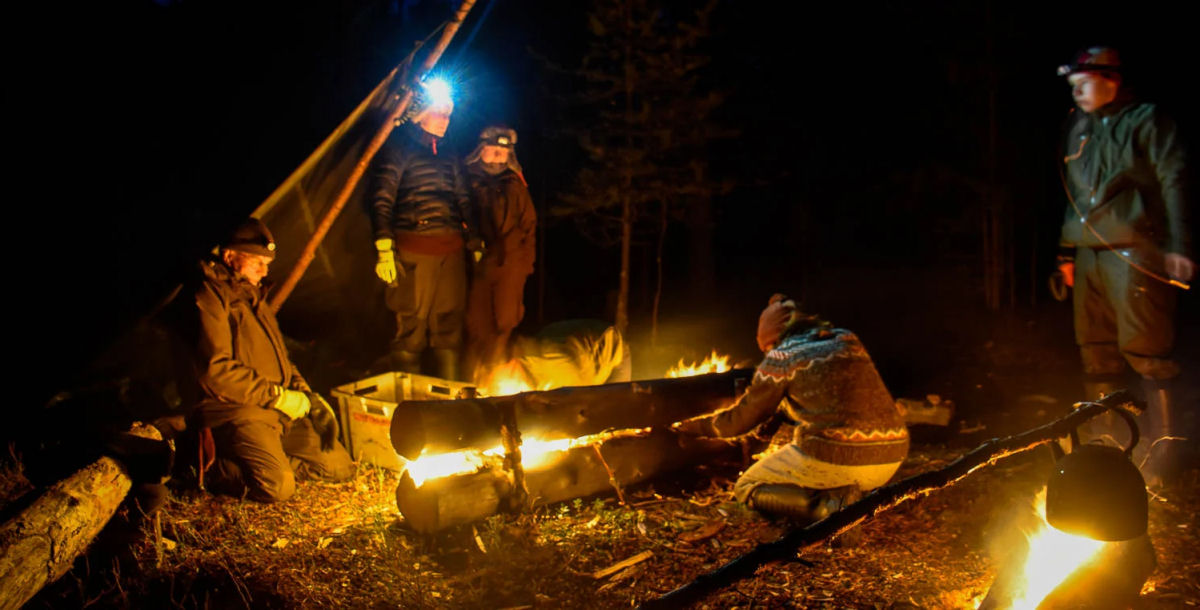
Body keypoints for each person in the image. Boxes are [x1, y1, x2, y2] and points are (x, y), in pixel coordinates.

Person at [1054, 47, 1194, 481]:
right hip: (1088, 254)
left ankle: (1163, 455)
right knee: (1095, 352)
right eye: (1072, 86)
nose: (1076, 92)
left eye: (1084, 83)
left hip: (1133, 250)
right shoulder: (1079, 127)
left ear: (1111, 79)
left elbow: (1174, 179)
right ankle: (1105, 451)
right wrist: (1066, 252)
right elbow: (1075, 194)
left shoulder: (1146, 120)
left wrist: (1179, 246)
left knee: (1148, 352)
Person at [674, 295, 909, 522]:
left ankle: (828, 509)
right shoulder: (846, 338)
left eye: (765, 347)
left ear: (772, 339)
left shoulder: (782, 356)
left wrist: (694, 427)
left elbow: (740, 421)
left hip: (838, 457)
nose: (766, 353)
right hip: (892, 455)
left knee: (746, 485)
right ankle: (851, 495)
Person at [181, 218, 353, 503]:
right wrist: (277, 396)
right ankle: (205, 468)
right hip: (238, 411)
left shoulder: (254, 297)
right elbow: (215, 371)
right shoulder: (210, 296)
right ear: (230, 257)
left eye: (267, 263)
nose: (265, 270)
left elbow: (283, 361)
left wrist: (308, 396)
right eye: (257, 262)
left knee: (339, 467)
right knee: (278, 488)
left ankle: (267, 462)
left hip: (276, 410)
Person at [370, 78, 478, 380]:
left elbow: (464, 198)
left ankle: (450, 396)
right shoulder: (399, 150)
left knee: (449, 323)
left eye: (448, 114)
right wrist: (384, 246)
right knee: (411, 324)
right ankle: (407, 395)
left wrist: (475, 239)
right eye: (439, 112)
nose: (445, 119)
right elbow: (382, 198)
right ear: (420, 114)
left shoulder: (449, 153)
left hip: (451, 249)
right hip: (414, 249)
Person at [462, 126, 537, 381]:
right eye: (493, 150)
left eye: (503, 152)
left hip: (510, 264)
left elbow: (529, 224)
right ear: (481, 150)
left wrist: (525, 263)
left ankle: (496, 379)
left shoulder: (514, 183)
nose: (498, 156)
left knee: (506, 322)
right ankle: (472, 379)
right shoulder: (467, 179)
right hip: (479, 264)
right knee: (477, 323)